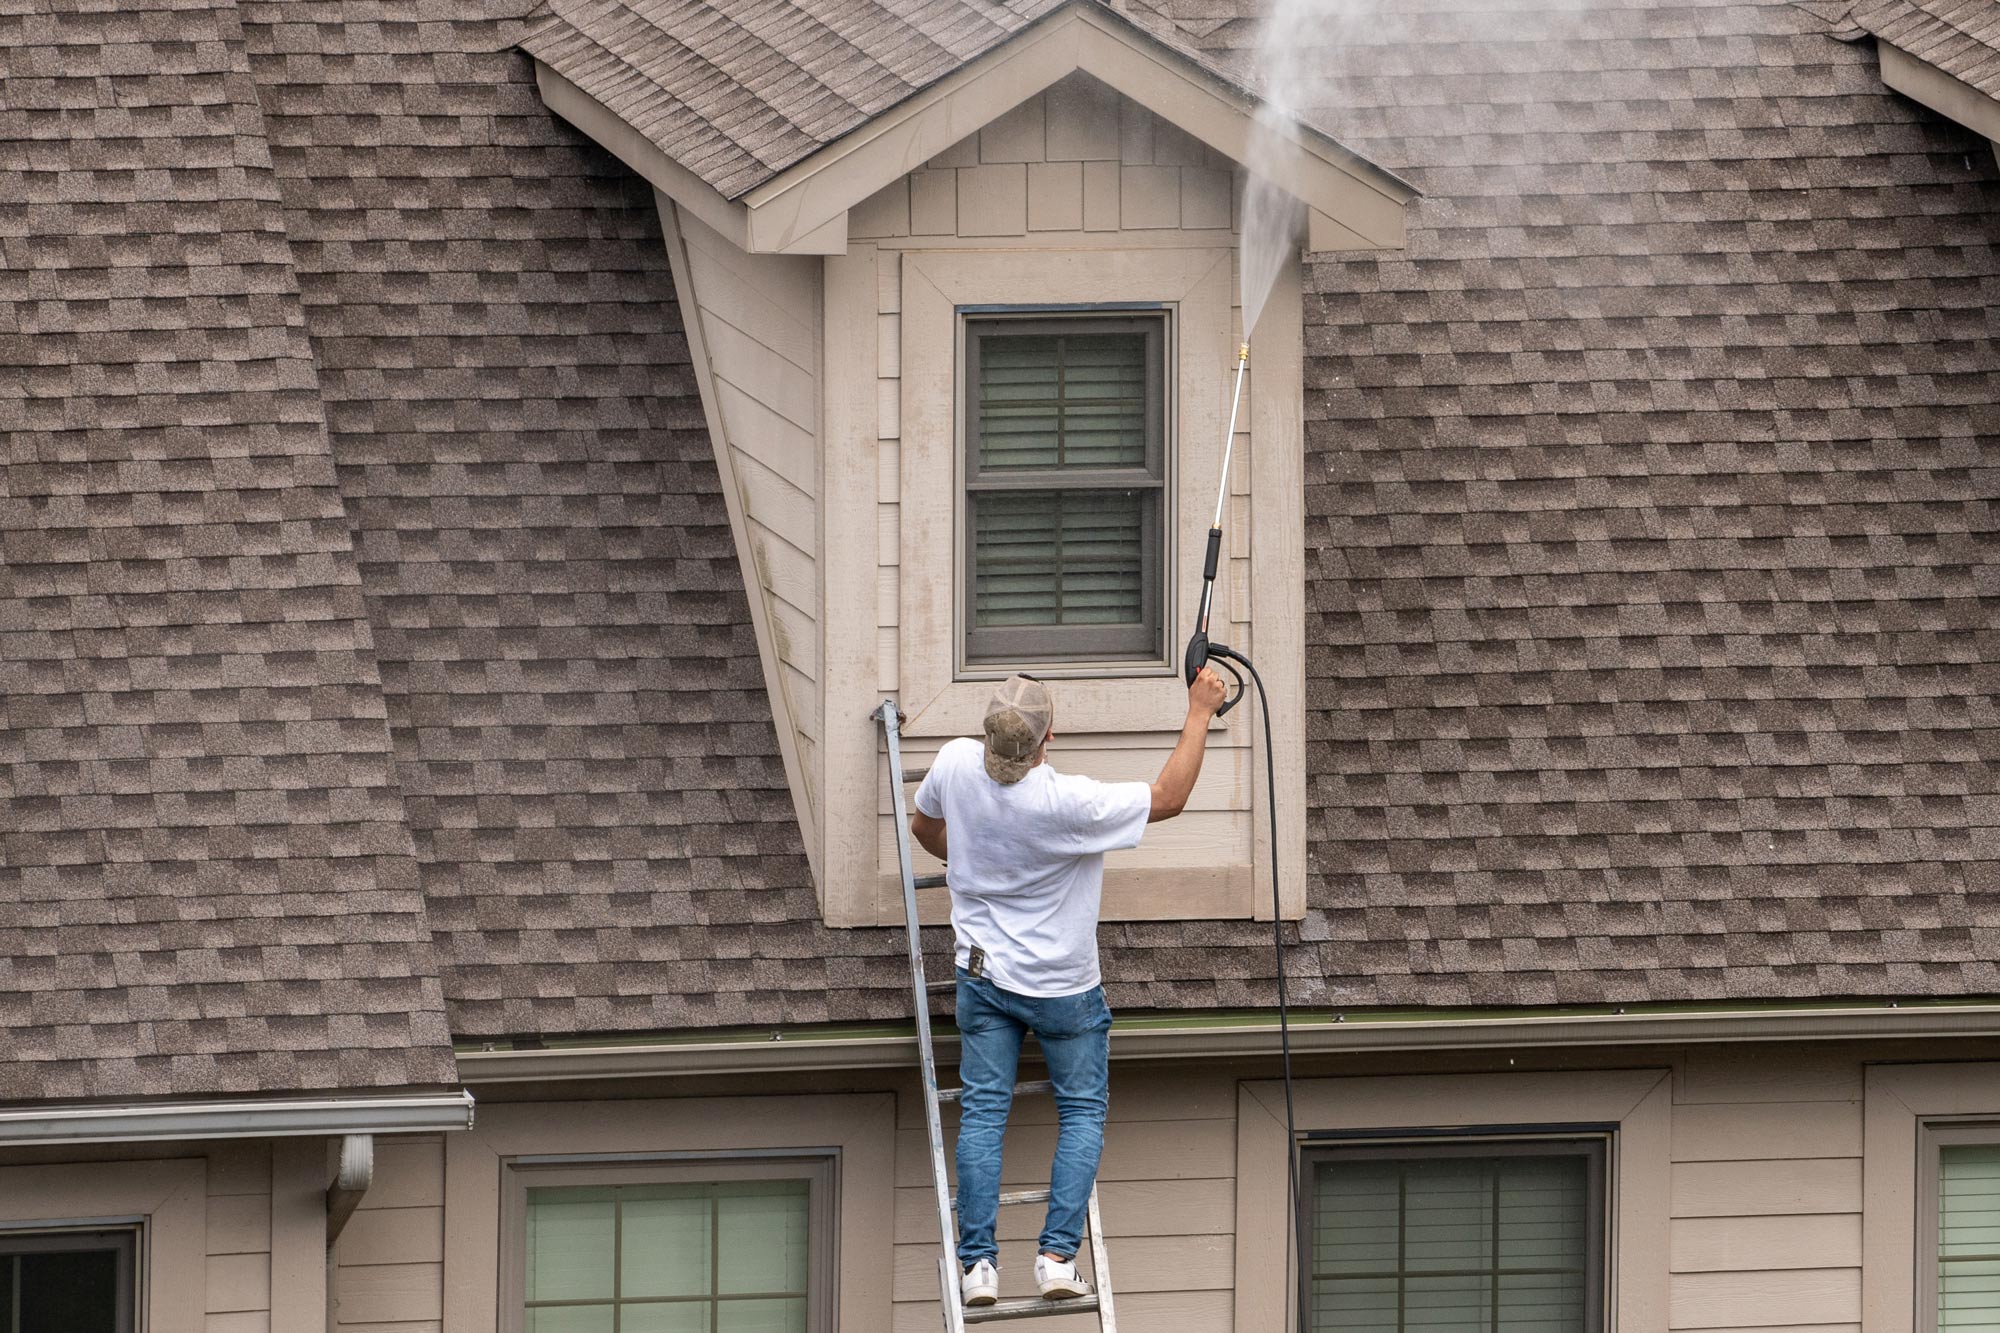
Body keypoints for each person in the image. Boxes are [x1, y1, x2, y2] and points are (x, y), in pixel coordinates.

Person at [911, 667, 1228, 1306]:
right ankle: (1056, 1260)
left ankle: (977, 1270)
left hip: (981, 976)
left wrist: (976, 856)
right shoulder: (1069, 802)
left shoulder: (952, 762)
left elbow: (923, 831)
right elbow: (1167, 798)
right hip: (1063, 990)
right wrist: (1199, 711)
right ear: (1047, 738)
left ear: (988, 733)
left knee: (983, 1115)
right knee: (1081, 1112)